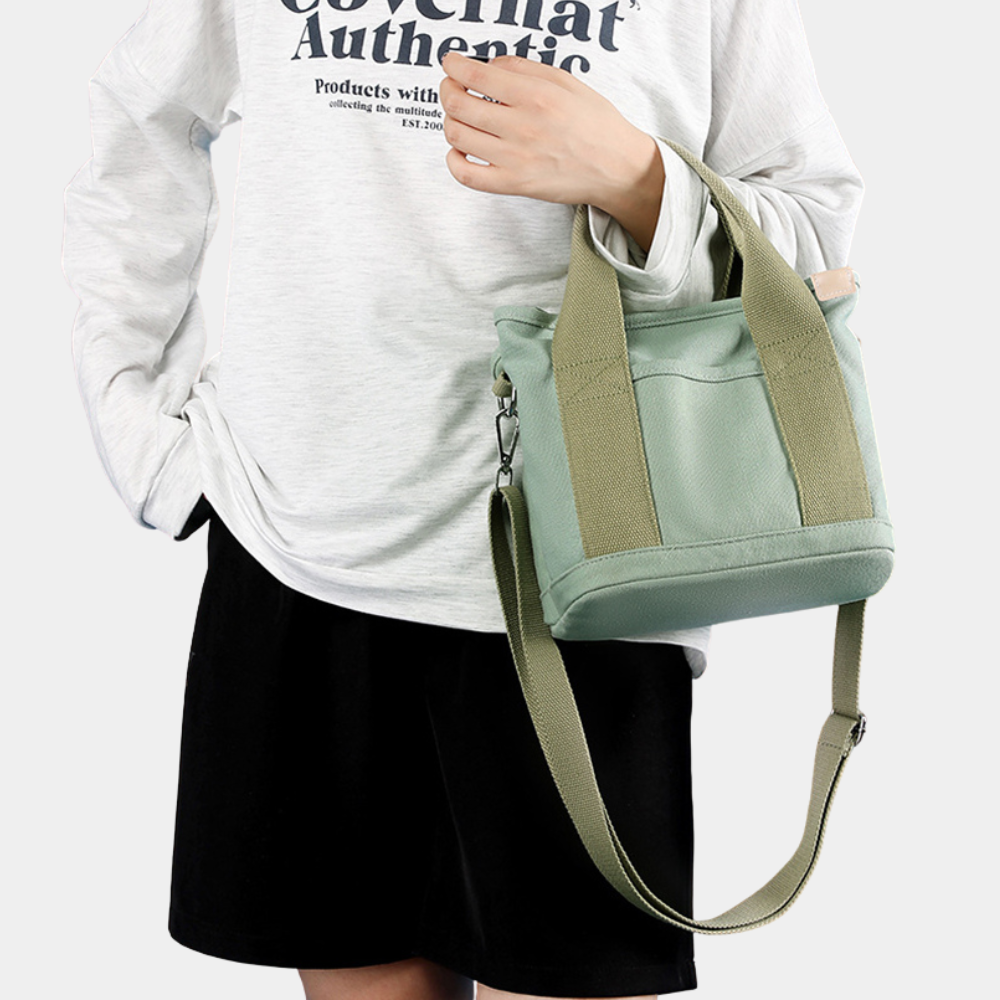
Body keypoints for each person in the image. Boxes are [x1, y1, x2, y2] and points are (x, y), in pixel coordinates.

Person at [61, 1, 863, 997]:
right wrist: (140, 426)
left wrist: (638, 178)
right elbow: (141, 117)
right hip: (296, 543)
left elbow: (814, 236)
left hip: (589, 568)